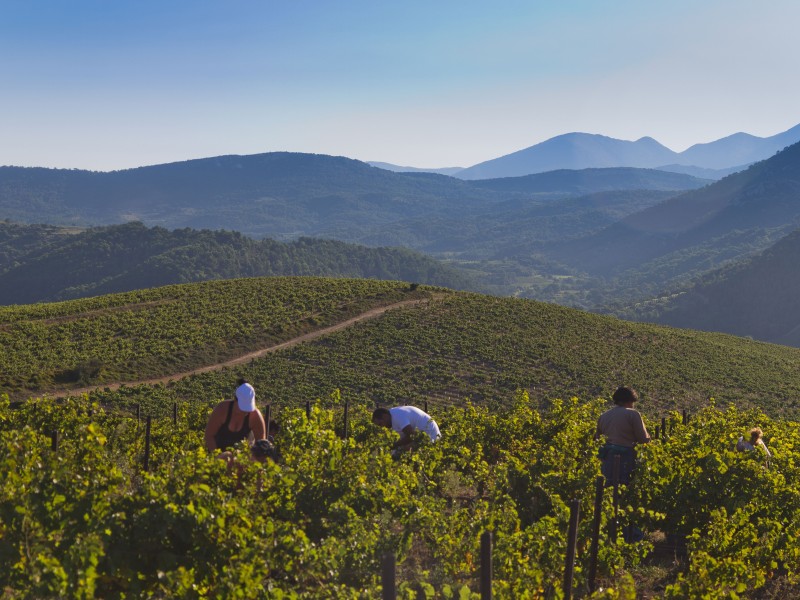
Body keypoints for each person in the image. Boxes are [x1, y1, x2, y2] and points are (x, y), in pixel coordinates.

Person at [594, 386, 651, 486]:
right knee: (624, 490)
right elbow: (643, 439)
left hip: (607, 459)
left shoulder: (603, 416)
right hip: (626, 459)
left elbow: (597, 439)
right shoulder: (633, 414)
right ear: (631, 400)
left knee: (607, 489)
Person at [204, 381, 267, 453]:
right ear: (235, 400)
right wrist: (218, 457)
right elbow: (209, 436)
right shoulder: (222, 410)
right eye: (242, 407)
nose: (245, 412)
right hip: (216, 457)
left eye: (248, 408)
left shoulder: (255, 416)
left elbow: (261, 445)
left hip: (242, 459)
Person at [372, 405, 440, 455]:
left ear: (384, 416)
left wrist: (394, 445)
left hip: (430, 435)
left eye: (380, 424)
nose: (382, 426)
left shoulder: (397, 417)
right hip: (423, 434)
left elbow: (411, 436)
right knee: (397, 451)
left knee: (402, 453)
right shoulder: (393, 414)